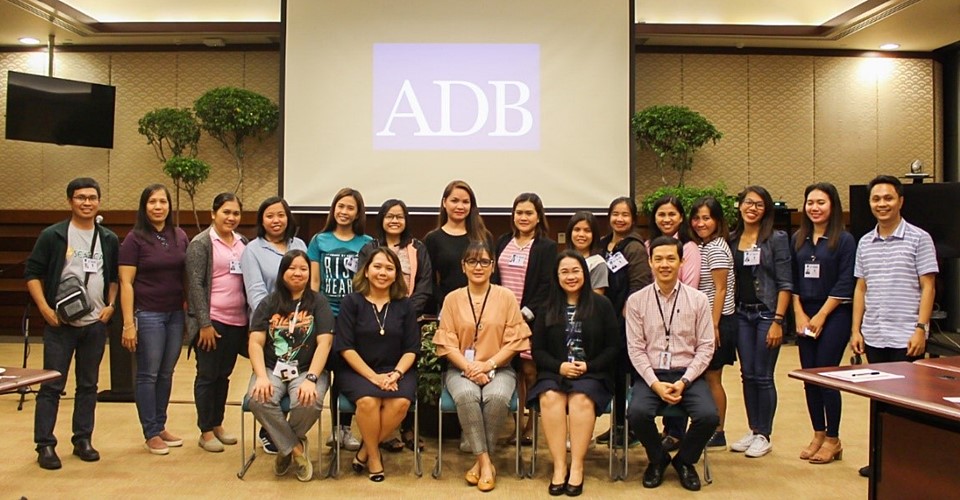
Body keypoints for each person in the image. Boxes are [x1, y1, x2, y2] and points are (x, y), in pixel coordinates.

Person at [25, 177, 119, 470]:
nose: (87, 202)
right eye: (80, 197)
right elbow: (32, 273)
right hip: (59, 326)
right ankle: (45, 444)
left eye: (92, 197)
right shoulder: (53, 235)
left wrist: (111, 305)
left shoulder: (108, 238)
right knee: (52, 386)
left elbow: (114, 277)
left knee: (88, 385)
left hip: (94, 325)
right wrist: (44, 308)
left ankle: (82, 439)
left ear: (99, 202)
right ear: (70, 201)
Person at [850, 175, 937, 478]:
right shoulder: (864, 241)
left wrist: (921, 328)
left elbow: (928, 287)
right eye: (876, 199)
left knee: (906, 402)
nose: (882, 204)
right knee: (879, 400)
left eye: (888, 198)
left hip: (905, 334)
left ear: (900, 201)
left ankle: (907, 464)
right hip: (874, 333)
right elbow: (861, 289)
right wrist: (856, 330)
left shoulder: (919, 238)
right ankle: (881, 461)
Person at [432, 242, 531, 492]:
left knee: (497, 397)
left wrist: (488, 364)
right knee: (467, 395)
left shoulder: (506, 296)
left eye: (484, 262)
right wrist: (469, 367)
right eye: (472, 262)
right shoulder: (452, 299)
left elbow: (517, 341)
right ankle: (486, 462)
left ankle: (478, 461)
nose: (479, 267)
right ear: (463, 267)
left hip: (499, 367)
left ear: (493, 266)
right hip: (460, 368)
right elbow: (446, 342)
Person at [625, 236, 718, 492]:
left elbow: (706, 346)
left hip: (687, 374)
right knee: (636, 414)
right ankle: (658, 459)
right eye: (658, 259)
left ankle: (685, 461)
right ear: (650, 262)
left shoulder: (698, 299)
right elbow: (635, 348)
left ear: (681, 261)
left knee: (709, 416)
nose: (664, 264)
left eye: (670, 258)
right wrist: (655, 384)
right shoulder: (636, 301)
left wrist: (684, 380)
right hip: (651, 374)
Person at [530, 250, 619, 496]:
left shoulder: (601, 304)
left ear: (585, 274)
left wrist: (588, 366)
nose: (571, 276)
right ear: (556, 276)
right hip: (555, 370)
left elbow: (614, 347)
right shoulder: (546, 306)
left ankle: (577, 466)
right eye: (564, 272)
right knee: (550, 397)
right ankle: (559, 466)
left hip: (592, 372)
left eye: (575, 271)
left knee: (580, 399)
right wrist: (559, 366)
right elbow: (537, 350)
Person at [247, 250, 335, 482]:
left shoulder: (319, 302)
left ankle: (284, 446)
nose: (298, 273)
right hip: (271, 368)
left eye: (303, 269)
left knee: (310, 400)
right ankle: (295, 450)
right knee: (258, 398)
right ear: (282, 272)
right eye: (292, 268)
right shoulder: (268, 303)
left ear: (310, 273)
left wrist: (312, 379)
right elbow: (255, 342)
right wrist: (261, 377)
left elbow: (324, 343)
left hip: (307, 368)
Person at [334, 248, 420, 482]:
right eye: (378, 266)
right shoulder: (352, 302)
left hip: (396, 368)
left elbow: (412, 348)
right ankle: (374, 457)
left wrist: (396, 373)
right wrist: (373, 377)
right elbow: (345, 347)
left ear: (396, 275)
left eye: (389, 268)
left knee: (400, 403)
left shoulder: (405, 305)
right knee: (368, 402)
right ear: (367, 270)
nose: (383, 272)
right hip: (357, 370)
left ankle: (363, 450)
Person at [119, 184, 189, 455]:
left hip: (175, 314)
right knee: (148, 373)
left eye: (163, 202)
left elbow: (184, 275)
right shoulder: (134, 239)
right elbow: (126, 283)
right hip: (148, 314)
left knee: (166, 372)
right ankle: (150, 431)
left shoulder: (179, 235)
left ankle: (160, 425)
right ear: (144, 206)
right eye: (152, 202)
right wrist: (128, 324)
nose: (158, 207)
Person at [358, 199, 432, 453]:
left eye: (399, 216)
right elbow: (361, 282)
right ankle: (383, 435)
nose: (394, 221)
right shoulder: (369, 248)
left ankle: (407, 428)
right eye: (390, 216)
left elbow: (425, 283)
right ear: (381, 219)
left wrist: (406, 309)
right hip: (374, 316)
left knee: (406, 373)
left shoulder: (418, 247)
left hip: (408, 319)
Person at [790, 183, 856, 465]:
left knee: (827, 377)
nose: (815, 208)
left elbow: (846, 281)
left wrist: (822, 315)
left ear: (833, 206)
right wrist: (800, 313)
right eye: (810, 202)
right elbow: (790, 278)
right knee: (809, 378)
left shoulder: (844, 239)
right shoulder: (798, 238)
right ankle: (818, 432)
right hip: (805, 311)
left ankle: (833, 438)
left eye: (821, 202)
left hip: (835, 314)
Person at [729, 186, 792, 458]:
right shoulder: (732, 238)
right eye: (748, 203)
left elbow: (785, 283)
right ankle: (753, 429)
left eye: (758, 205)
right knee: (747, 374)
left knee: (764, 376)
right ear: (739, 205)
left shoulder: (776, 239)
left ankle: (765, 434)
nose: (752, 208)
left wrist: (779, 319)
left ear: (766, 210)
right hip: (742, 313)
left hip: (767, 313)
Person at [307, 187, 372, 451]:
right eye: (340, 206)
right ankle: (333, 428)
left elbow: (369, 282)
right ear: (334, 209)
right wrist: (315, 314)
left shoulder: (366, 242)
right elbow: (314, 282)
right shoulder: (319, 240)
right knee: (327, 372)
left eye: (350, 208)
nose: (344, 212)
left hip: (354, 317)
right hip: (325, 316)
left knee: (349, 373)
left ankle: (345, 428)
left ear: (358, 213)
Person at [242, 196, 307, 454]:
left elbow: (309, 283)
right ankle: (288, 441)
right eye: (269, 216)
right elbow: (255, 294)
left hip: (302, 326)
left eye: (280, 215)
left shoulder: (299, 244)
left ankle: (277, 434)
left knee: (297, 381)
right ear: (261, 220)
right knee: (270, 379)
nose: (276, 220)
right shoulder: (253, 250)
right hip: (269, 327)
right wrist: (281, 317)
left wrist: (301, 317)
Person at [493, 193, 557, 446]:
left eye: (529, 213)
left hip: (531, 319)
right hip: (501, 319)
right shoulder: (503, 241)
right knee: (511, 370)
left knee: (530, 371)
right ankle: (517, 423)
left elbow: (546, 286)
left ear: (539, 216)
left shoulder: (546, 246)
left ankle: (532, 424)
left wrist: (523, 314)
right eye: (519, 212)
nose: (523, 217)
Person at [186, 192, 248, 453]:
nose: (231, 217)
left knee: (224, 375)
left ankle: (218, 423)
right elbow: (195, 286)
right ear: (214, 213)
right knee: (208, 375)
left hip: (237, 321)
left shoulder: (243, 242)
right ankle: (205, 430)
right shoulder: (201, 243)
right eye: (226, 212)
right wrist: (204, 323)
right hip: (212, 321)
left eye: (235, 213)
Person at [647, 195, 702, 452]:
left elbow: (688, 285)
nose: (666, 219)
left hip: (681, 318)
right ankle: (668, 432)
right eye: (661, 214)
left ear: (681, 217)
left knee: (678, 369)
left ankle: (676, 433)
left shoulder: (689, 248)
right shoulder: (649, 245)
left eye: (672, 214)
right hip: (654, 317)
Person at [596, 196, 651, 446]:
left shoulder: (635, 247)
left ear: (633, 218)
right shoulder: (604, 244)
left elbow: (640, 284)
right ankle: (616, 425)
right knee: (611, 375)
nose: (619, 219)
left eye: (625, 214)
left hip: (625, 321)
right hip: (604, 317)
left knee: (624, 375)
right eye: (615, 214)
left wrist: (626, 318)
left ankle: (629, 428)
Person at [688, 197, 738, 450]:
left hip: (718, 321)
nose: (700, 223)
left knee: (712, 377)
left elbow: (720, 290)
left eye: (706, 218)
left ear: (717, 220)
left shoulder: (717, 247)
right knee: (706, 376)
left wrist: (714, 325)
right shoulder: (704, 246)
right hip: (706, 321)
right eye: (696, 218)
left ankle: (718, 430)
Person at [423, 180, 494, 315]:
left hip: (483, 307)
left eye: (465, 202)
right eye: (454, 201)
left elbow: (493, 275)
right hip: (449, 307)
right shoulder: (433, 239)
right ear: (444, 202)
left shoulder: (484, 236)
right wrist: (447, 301)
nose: (460, 206)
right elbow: (429, 281)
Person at [566, 211, 608, 294]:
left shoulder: (598, 263)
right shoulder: (562, 259)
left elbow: (597, 298)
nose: (581, 234)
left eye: (587, 230)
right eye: (577, 229)